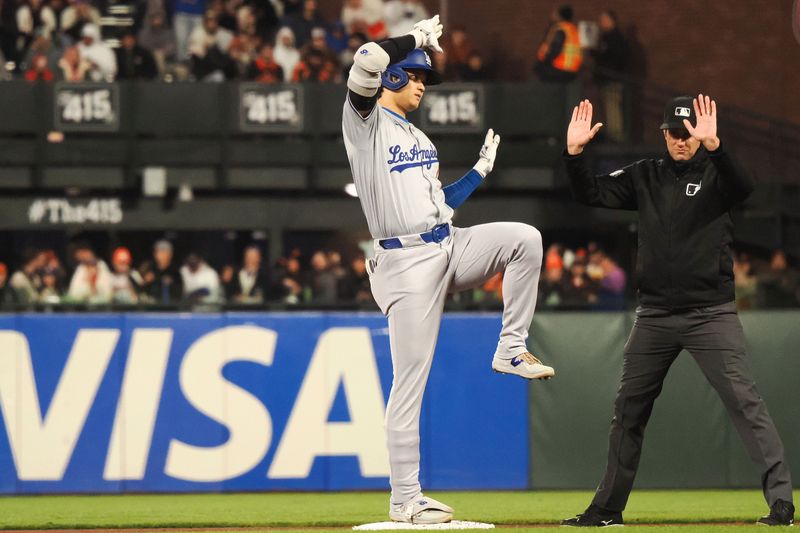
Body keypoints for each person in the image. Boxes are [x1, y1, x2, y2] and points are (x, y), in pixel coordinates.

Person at [342, 15, 554, 525]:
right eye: (415, 76)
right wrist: (413, 40)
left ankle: (510, 349)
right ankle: (405, 500)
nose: (421, 85)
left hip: (447, 244)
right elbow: (368, 57)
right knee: (409, 382)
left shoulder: (421, 139)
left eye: (422, 78)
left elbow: (441, 207)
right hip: (404, 261)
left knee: (525, 239)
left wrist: (479, 173)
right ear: (392, 78)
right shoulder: (364, 124)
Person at [560, 96, 794, 527]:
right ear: (664, 133)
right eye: (676, 133)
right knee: (628, 409)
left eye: (690, 134)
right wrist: (574, 154)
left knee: (745, 403)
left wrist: (716, 145)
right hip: (654, 317)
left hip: (711, 314)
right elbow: (589, 192)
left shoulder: (716, 172)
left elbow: (745, 187)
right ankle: (607, 509)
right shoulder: (645, 175)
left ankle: (781, 503)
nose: (683, 141)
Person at [534, 4, 582, 83]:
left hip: (559, 69)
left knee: (538, 69)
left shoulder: (560, 29)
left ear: (560, 16)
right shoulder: (573, 29)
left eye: (555, 13)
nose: (552, 15)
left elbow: (555, 49)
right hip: (573, 70)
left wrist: (544, 61)